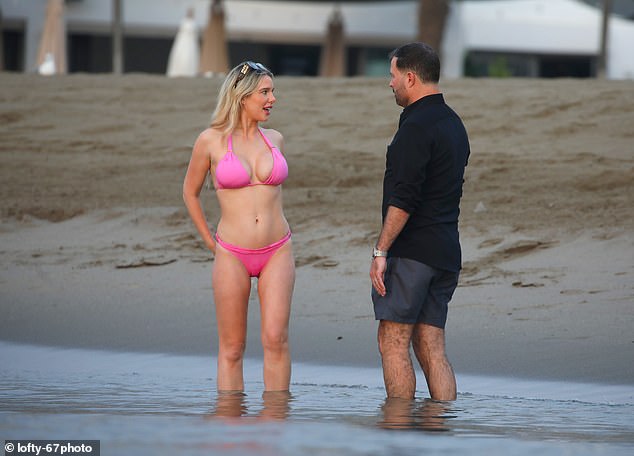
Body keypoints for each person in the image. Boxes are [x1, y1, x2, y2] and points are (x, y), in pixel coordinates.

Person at [183, 61, 295, 393]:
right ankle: (230, 433)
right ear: (242, 95)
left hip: (278, 249)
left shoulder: (275, 138)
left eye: (273, 91)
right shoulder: (210, 141)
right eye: (265, 92)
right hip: (231, 252)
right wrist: (210, 243)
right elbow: (189, 193)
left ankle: (275, 424)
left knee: (276, 339)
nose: (272, 99)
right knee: (232, 349)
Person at [369, 42, 470, 401]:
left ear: (410, 77)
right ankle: (440, 431)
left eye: (393, 75)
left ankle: (399, 433)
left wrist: (381, 250)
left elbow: (404, 198)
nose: (390, 83)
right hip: (446, 252)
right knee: (432, 344)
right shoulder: (454, 123)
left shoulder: (416, 127)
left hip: (412, 253)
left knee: (392, 341)